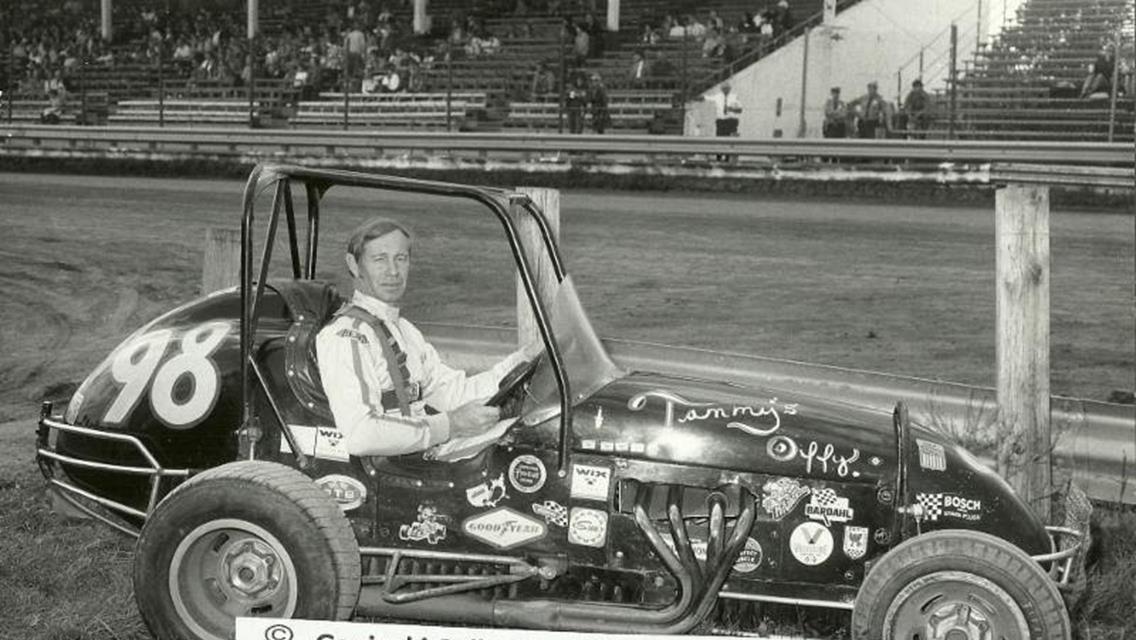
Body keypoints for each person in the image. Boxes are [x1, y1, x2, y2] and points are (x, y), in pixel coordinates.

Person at [316, 218, 537, 459]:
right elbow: (360, 435)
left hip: (423, 449)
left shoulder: (405, 330)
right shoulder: (348, 336)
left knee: (534, 432)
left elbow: (453, 392)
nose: (393, 271)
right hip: (396, 463)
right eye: (379, 259)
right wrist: (451, 425)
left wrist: (524, 359)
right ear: (354, 265)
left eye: (401, 259)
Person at [709, 82, 743, 161]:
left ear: (730, 89)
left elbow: (740, 110)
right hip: (721, 121)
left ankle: (727, 158)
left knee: (730, 141)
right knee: (720, 140)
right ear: (721, 90)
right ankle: (719, 157)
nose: (725, 90)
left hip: (731, 121)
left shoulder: (734, 97)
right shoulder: (718, 97)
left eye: (727, 89)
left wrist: (731, 109)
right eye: (724, 89)